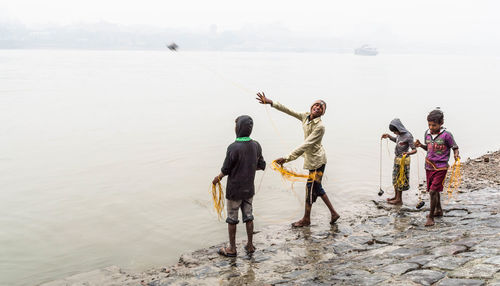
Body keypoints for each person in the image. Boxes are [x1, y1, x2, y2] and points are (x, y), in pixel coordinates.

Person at [256, 92, 340, 227]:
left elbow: (306, 144)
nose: (317, 107)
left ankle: (308, 219)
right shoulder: (305, 116)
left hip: (317, 161)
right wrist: (272, 103)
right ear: (312, 106)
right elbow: (289, 111)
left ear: (322, 113)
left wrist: (287, 158)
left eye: (321, 108)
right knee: (315, 188)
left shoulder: (320, 127)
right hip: (312, 160)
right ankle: (332, 213)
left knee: (311, 189)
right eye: (316, 105)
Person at [213, 115, 266, 257]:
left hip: (234, 190)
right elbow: (261, 165)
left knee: (232, 218)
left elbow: (226, 169)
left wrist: (217, 178)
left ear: (239, 128)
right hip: (249, 189)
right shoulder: (256, 145)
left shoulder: (233, 147)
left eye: (236, 125)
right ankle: (250, 246)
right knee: (249, 216)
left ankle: (232, 248)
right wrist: (248, 167)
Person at [415, 109, 459, 227]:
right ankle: (438, 210)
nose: (431, 127)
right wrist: (420, 146)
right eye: (429, 124)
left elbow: (454, 146)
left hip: (441, 167)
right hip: (429, 166)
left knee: (433, 191)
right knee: (432, 191)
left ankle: (431, 217)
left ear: (441, 123)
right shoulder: (427, 134)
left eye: (434, 125)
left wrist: (455, 154)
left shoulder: (446, 135)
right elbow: (429, 148)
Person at [381, 118, 417, 205]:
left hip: (404, 161)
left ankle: (399, 199)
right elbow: (397, 141)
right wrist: (389, 136)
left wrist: (407, 153)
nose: (394, 133)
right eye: (393, 132)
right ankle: (396, 196)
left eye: (394, 131)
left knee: (401, 179)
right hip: (397, 159)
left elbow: (414, 150)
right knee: (395, 178)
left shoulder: (408, 136)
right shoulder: (399, 135)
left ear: (399, 128)